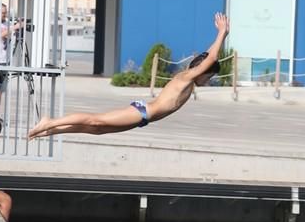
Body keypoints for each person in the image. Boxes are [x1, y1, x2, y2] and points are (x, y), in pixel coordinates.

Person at [28, 12, 229, 139]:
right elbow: (209, 59)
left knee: (97, 130)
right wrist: (221, 33)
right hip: (142, 112)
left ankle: (52, 131)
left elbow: (207, 56)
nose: (207, 80)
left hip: (143, 118)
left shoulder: (190, 80)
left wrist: (222, 37)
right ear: (203, 71)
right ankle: (50, 121)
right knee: (95, 121)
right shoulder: (185, 77)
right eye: (208, 76)